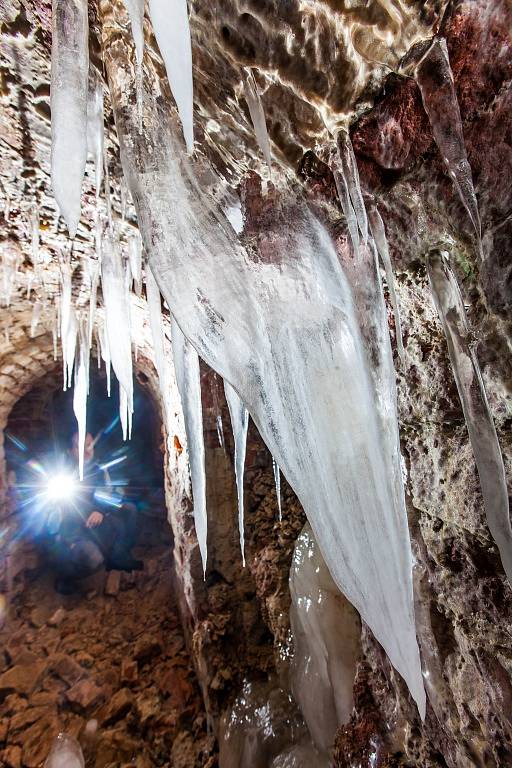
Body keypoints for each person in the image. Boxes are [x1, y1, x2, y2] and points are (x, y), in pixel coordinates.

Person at [49, 432, 143, 595]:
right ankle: (66, 578)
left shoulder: (97, 468)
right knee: (93, 558)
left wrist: (100, 510)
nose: (87, 450)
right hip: (74, 531)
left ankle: (119, 557)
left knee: (129, 510)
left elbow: (109, 493)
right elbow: (57, 519)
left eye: (90, 445)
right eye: (81, 446)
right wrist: (66, 538)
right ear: (72, 449)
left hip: (94, 521)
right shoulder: (62, 471)